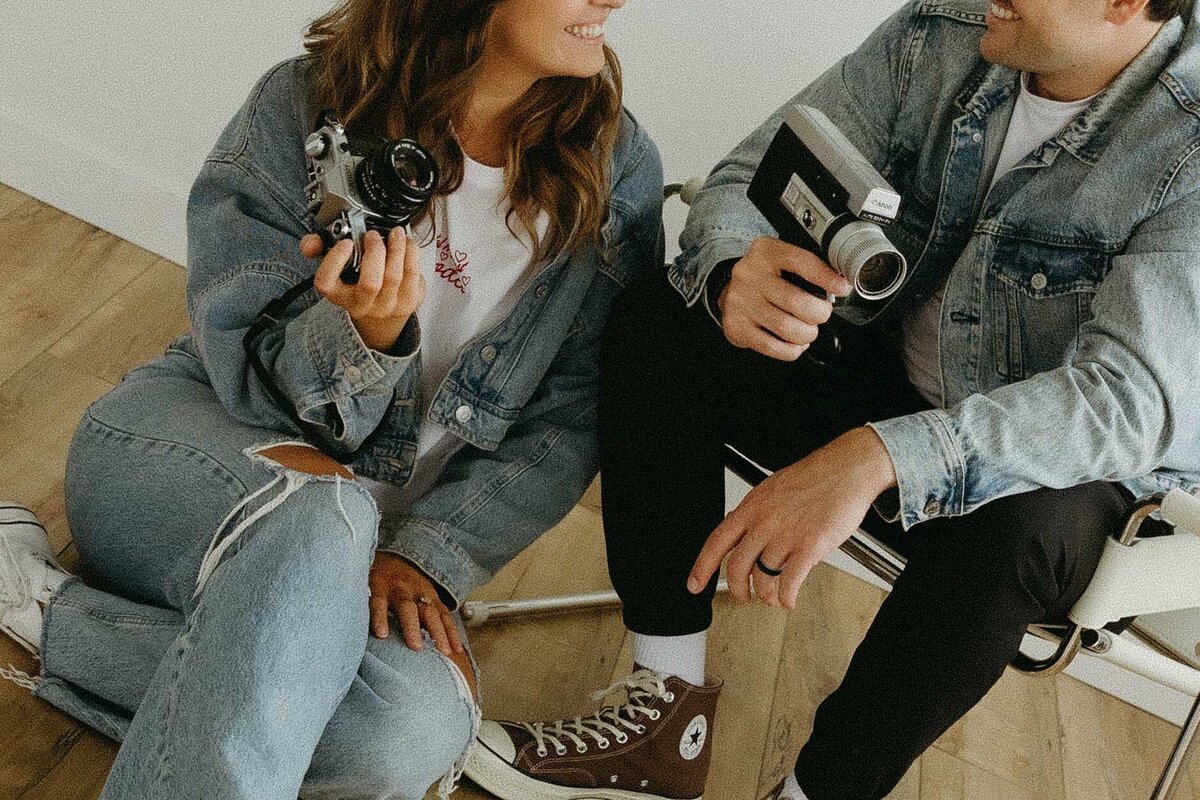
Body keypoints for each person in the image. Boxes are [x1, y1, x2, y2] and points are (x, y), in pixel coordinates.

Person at [466, 0, 1200, 798]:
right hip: (887, 387)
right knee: (668, 316)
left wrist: (883, 455)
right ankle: (663, 719)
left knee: (1018, 517)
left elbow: (1124, 404)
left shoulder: (1187, 141)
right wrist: (735, 271)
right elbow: (750, 175)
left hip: (1059, 492)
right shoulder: (946, 30)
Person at [0, 0, 666, 797]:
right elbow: (242, 371)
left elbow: (569, 420)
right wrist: (362, 340)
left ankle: (47, 610)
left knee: (408, 732)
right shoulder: (306, 104)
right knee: (325, 515)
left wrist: (427, 552)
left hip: (375, 549)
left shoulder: (616, 166)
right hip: (185, 470)